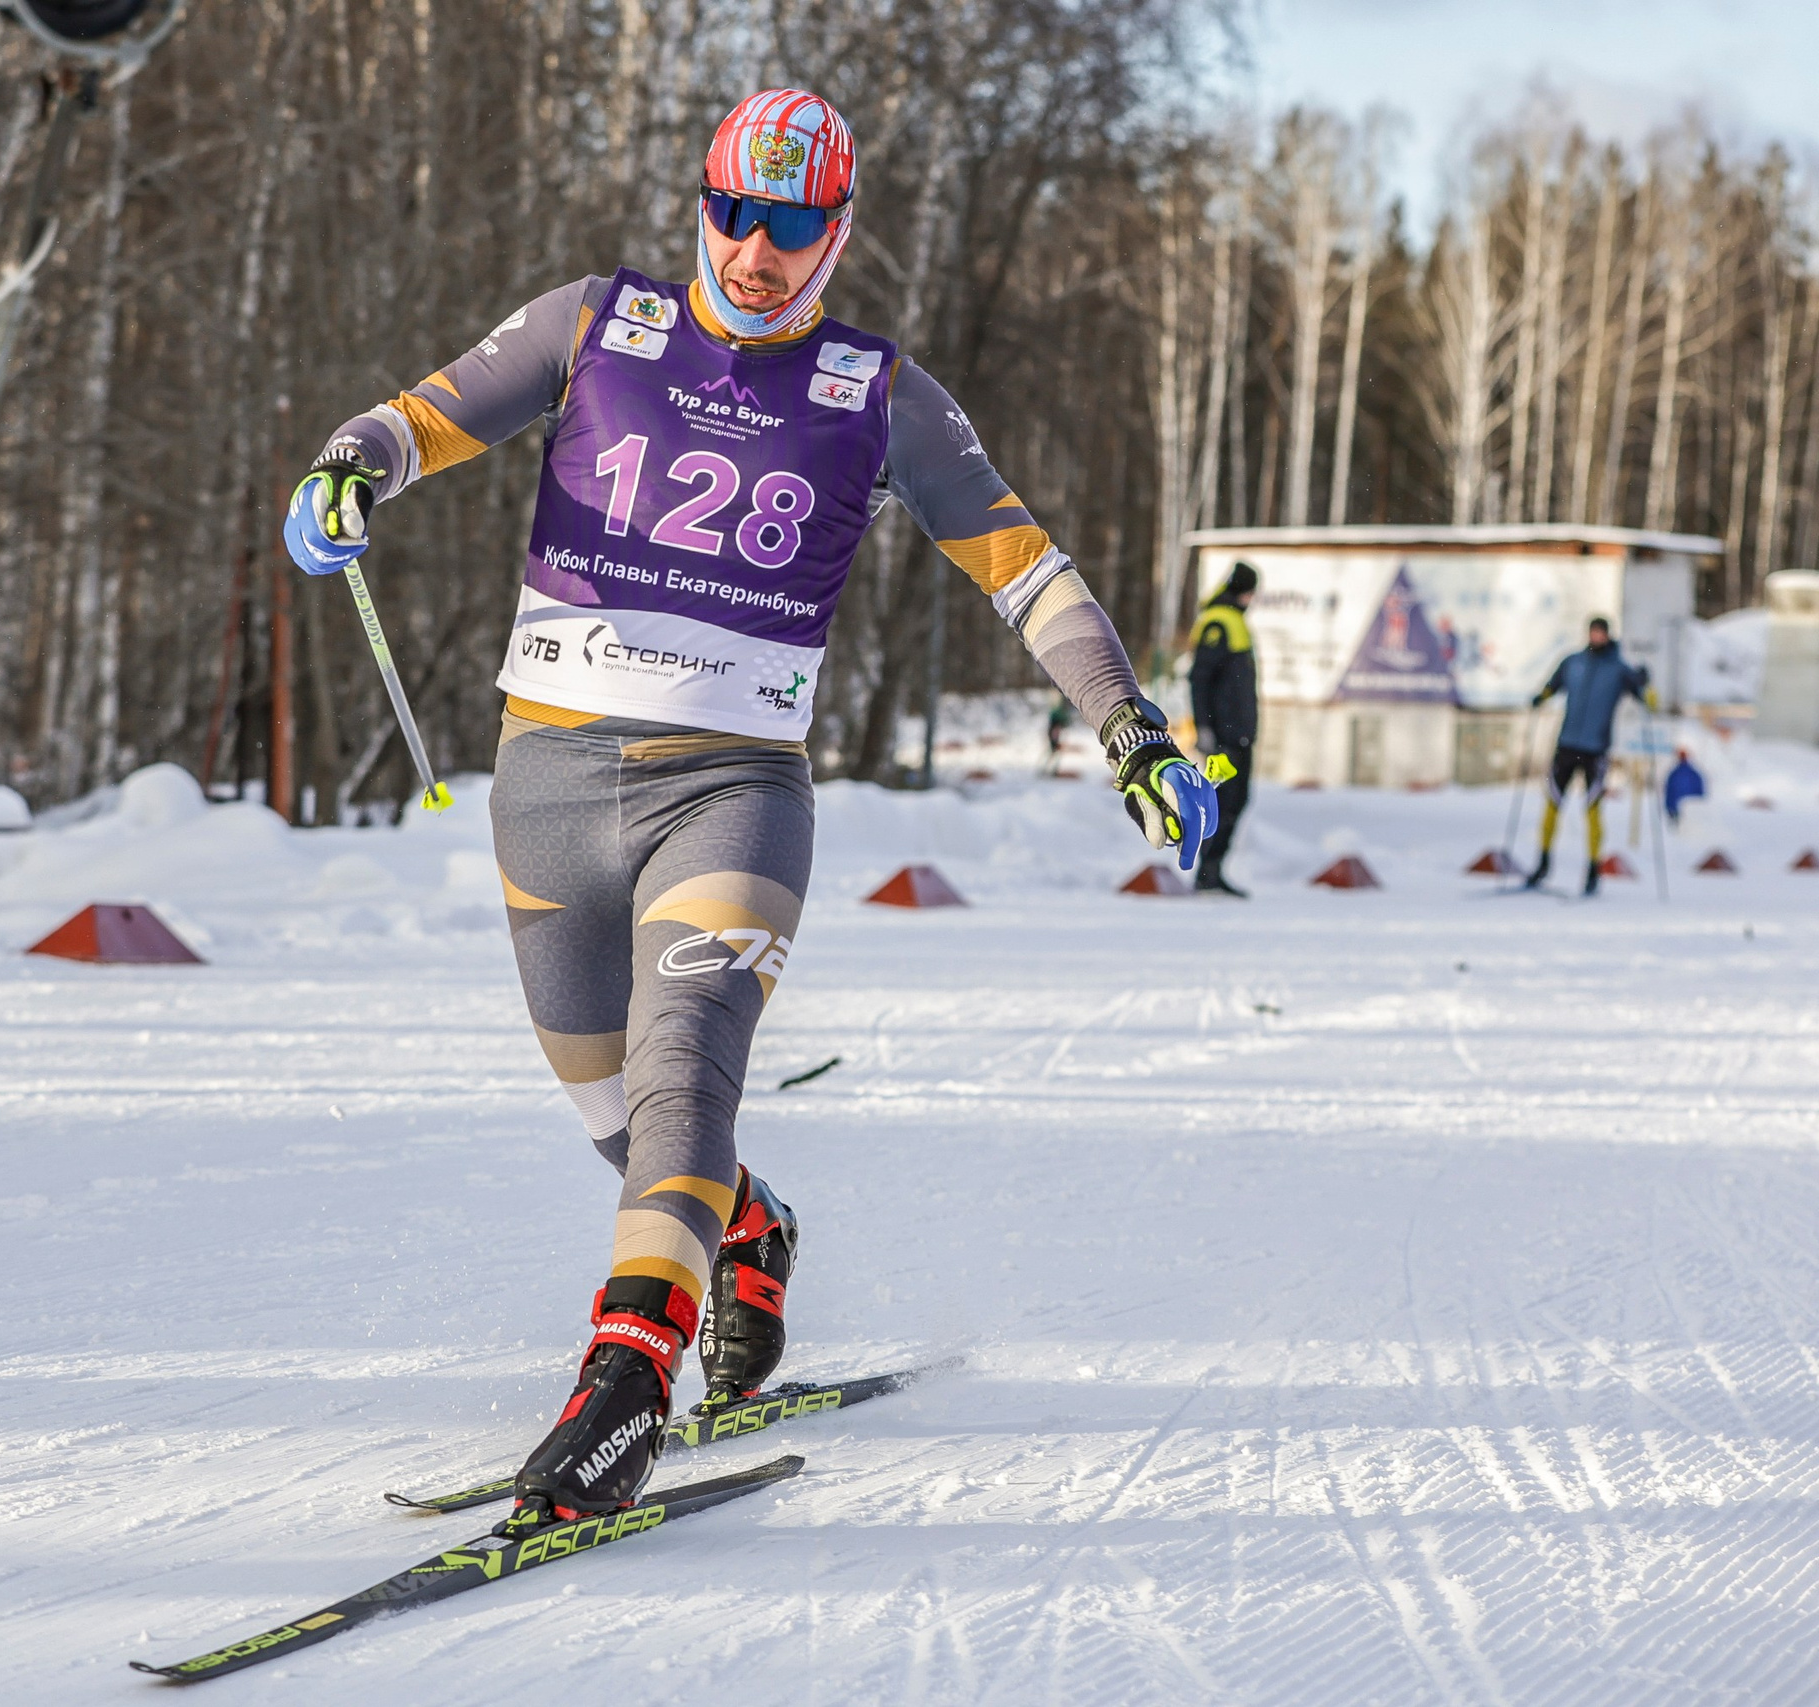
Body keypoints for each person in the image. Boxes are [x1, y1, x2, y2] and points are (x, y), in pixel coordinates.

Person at [280, 89, 1216, 1533]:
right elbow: (414, 421)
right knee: (614, 1107)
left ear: (837, 232)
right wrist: (350, 471)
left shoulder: (875, 391)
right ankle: (748, 1225)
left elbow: (1030, 570)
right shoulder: (600, 323)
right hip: (549, 787)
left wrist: (1131, 722)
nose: (758, 249)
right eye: (735, 213)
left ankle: (624, 1382)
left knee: (685, 1069)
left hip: (730, 793)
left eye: (792, 225)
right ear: (700, 200)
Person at [1526, 616, 1652, 895]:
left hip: (1596, 750)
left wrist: (1645, 683)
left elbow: (1645, 697)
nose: (1596, 637)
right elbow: (1552, 685)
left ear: (1607, 636)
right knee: (1552, 806)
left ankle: (1593, 870)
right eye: (1593, 633)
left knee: (1592, 811)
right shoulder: (1573, 662)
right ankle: (1542, 864)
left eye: (1601, 633)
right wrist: (1541, 697)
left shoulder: (1618, 670)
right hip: (1567, 745)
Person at [1186, 562, 1258, 897]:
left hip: (1238, 732)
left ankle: (1211, 869)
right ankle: (1206, 870)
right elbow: (1200, 679)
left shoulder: (1233, 620)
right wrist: (1205, 728)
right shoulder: (1218, 622)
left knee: (1236, 799)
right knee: (1224, 802)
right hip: (1224, 735)